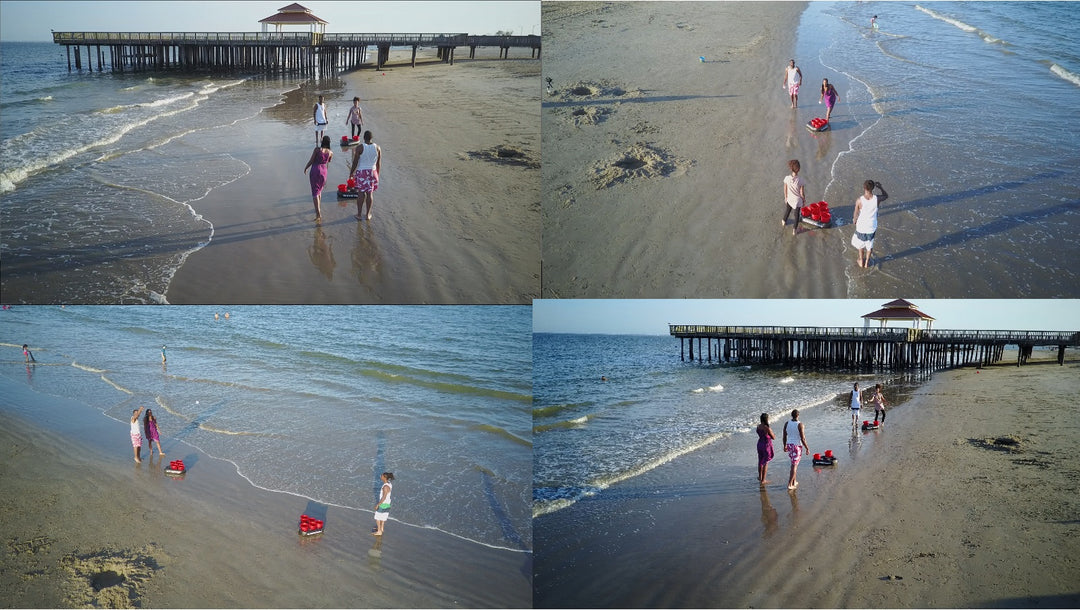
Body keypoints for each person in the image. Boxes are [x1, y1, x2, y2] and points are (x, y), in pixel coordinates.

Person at [851, 180, 888, 268]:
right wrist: (880, 187)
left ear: (864, 188)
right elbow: (886, 196)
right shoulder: (877, 199)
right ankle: (867, 261)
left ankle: (861, 260)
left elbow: (855, 212)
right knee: (869, 243)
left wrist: (854, 220)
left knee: (860, 245)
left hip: (861, 226)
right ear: (873, 188)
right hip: (872, 226)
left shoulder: (859, 200)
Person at [348, 130, 382, 221]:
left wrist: (351, 173)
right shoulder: (378, 148)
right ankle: (368, 214)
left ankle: (359, 214)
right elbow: (379, 164)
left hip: (362, 172)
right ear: (371, 138)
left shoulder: (359, 148)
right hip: (372, 172)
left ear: (364, 138)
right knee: (370, 193)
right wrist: (377, 174)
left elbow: (355, 162)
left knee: (361, 193)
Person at [304, 135, 334, 221]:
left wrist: (306, 167)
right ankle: (318, 208)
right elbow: (329, 161)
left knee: (314, 193)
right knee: (319, 191)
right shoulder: (331, 152)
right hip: (324, 172)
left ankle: (318, 214)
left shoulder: (317, 150)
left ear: (322, 142)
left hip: (315, 170)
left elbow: (311, 160)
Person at [782, 409, 809, 490]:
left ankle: (794, 481)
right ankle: (790, 484)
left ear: (791, 415)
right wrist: (807, 448)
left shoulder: (787, 423)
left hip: (789, 445)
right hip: (796, 446)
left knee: (794, 464)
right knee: (794, 466)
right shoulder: (800, 424)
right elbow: (803, 438)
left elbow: (784, 436)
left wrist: (784, 445)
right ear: (798, 415)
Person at [781, 159, 807, 236]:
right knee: (796, 216)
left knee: (787, 211)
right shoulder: (800, 180)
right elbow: (802, 193)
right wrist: (804, 200)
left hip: (789, 199)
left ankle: (783, 221)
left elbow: (785, 188)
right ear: (798, 169)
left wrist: (786, 197)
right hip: (797, 201)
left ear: (791, 168)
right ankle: (794, 231)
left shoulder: (787, 178)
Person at [756, 413, 775, 485]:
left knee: (760, 461)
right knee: (765, 462)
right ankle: (763, 480)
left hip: (759, 444)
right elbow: (773, 437)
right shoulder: (767, 428)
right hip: (766, 446)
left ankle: (760, 477)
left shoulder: (758, 426)